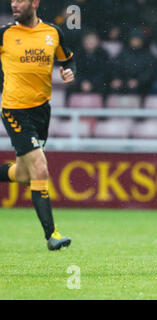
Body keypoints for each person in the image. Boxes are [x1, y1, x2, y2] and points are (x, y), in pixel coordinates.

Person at [0, 0, 75, 250]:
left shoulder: (53, 33)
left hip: (41, 111)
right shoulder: (5, 35)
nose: (14, 4)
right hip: (14, 110)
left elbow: (68, 60)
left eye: (20, 0)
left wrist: (68, 71)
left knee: (23, 174)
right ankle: (52, 235)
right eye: (12, 1)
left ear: (34, 3)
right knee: (40, 169)